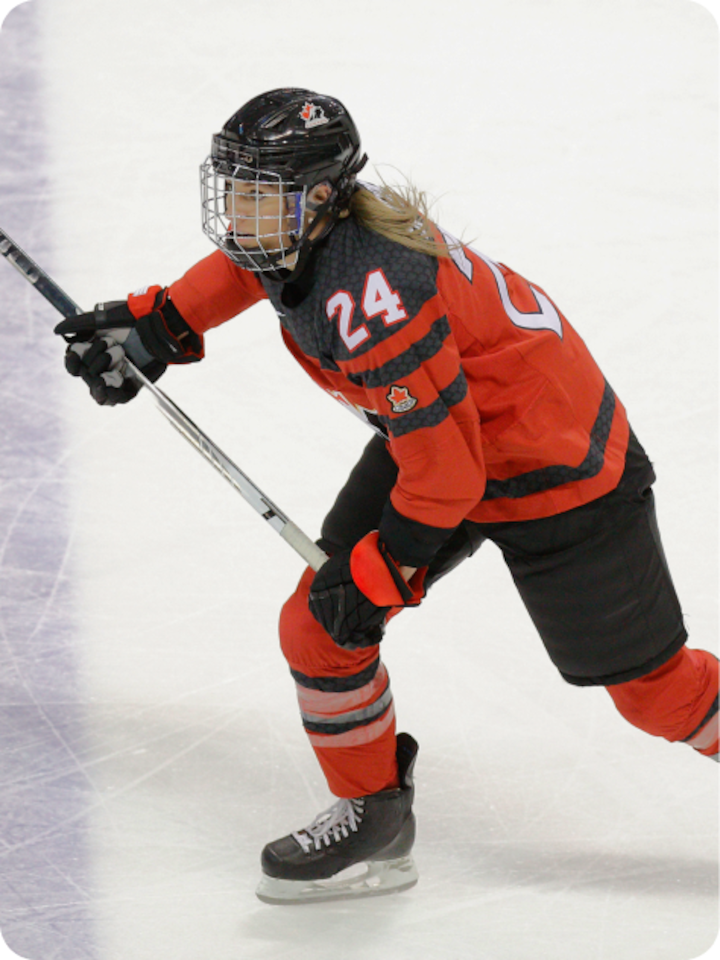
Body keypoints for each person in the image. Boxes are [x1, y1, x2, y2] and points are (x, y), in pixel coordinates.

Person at [55, 88, 720, 905]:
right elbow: (246, 270)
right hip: (447, 438)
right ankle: (376, 819)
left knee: (660, 697)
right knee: (318, 624)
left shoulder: (375, 296)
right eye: (236, 188)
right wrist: (156, 324)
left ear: (323, 197)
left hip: (561, 472)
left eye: (260, 193)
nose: (239, 211)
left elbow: (448, 479)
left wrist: (379, 576)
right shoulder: (305, 239)